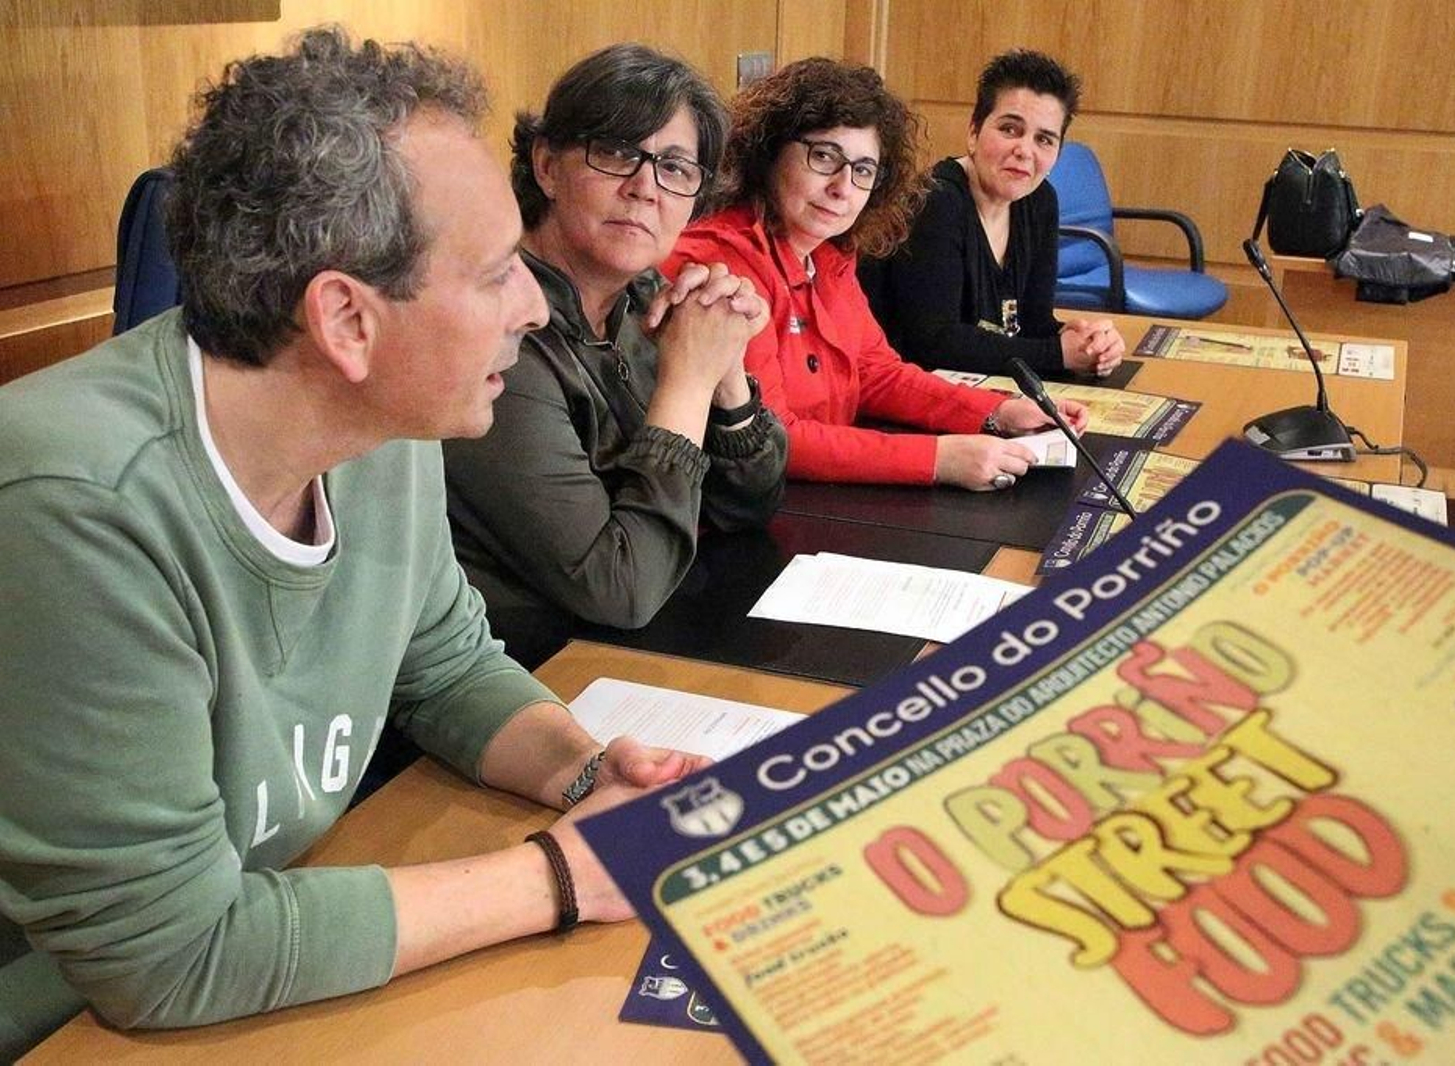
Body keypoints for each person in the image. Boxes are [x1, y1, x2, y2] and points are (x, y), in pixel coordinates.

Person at [0, 28, 707, 1055]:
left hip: (276, 940)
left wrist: (591, 777)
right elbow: (167, 954)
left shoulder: (376, 423)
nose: (528, 306)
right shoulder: (71, 505)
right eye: (498, 271)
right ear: (347, 321)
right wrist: (561, 875)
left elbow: (444, 664)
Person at [444, 45, 784, 667]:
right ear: (546, 165)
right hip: (526, 674)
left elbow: (747, 505)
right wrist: (685, 383)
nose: (645, 188)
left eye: (676, 168)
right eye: (618, 153)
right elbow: (619, 587)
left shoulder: (647, 300)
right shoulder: (498, 340)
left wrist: (726, 371)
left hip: (643, 649)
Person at [667, 57, 1088, 492]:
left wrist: (996, 412)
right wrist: (937, 459)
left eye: (863, 170)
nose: (843, 188)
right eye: (824, 156)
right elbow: (774, 437)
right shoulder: (722, 263)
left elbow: (875, 372)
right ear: (769, 151)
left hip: (819, 494)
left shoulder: (829, 252)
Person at [859, 49, 1126, 379]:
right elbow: (933, 342)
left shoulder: (1040, 201)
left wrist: (1082, 343)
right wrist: (1056, 354)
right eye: (1011, 129)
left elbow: (1030, 324)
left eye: (1044, 139)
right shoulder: (934, 201)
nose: (1024, 151)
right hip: (897, 388)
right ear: (973, 133)